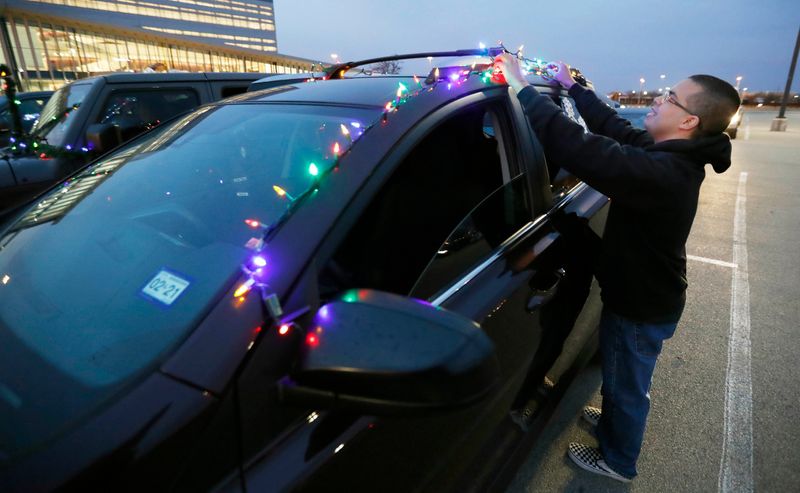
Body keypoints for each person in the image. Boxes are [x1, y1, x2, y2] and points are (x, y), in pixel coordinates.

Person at [494, 53, 740, 483]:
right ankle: (614, 421)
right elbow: (614, 128)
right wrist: (573, 88)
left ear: (687, 122)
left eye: (670, 98)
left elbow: (579, 147)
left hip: (641, 305)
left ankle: (617, 460)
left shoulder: (663, 172)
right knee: (619, 371)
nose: (659, 101)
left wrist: (522, 87)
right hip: (641, 295)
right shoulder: (670, 153)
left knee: (628, 386)